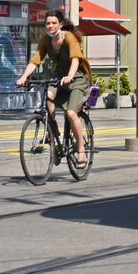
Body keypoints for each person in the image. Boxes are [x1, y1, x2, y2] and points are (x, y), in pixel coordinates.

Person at [16, 9, 91, 167]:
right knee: (49, 95)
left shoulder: (69, 37)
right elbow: (35, 60)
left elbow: (76, 59)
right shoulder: (45, 40)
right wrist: (24, 77)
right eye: (48, 23)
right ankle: (53, 133)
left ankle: (81, 149)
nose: (50, 26)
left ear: (61, 24)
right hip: (59, 77)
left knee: (71, 113)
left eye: (54, 23)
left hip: (77, 78)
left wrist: (70, 75)